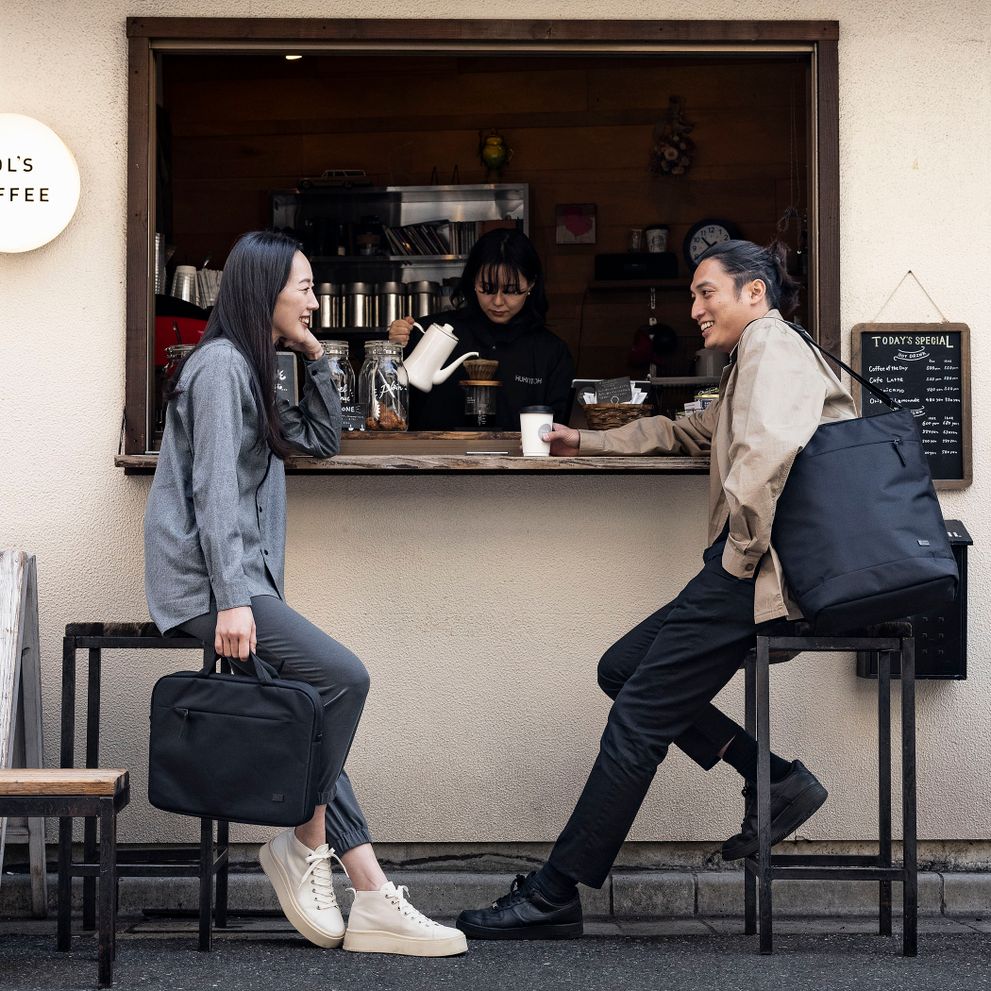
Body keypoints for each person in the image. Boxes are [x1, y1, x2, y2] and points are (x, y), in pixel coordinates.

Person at [455, 239, 858, 940]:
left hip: (754, 569)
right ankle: (771, 778)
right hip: (747, 563)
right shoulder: (756, 356)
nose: (694, 308)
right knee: (622, 668)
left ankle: (554, 892)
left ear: (754, 292)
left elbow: (765, 454)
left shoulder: (770, 344)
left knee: (637, 716)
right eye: (693, 295)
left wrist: (737, 553)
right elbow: (691, 431)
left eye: (707, 292)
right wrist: (585, 442)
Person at [144, 230, 466, 958]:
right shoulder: (221, 366)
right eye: (307, 288)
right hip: (209, 586)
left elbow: (322, 437)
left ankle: (373, 891)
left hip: (240, 583)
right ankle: (305, 839)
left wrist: (317, 354)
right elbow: (215, 490)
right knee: (342, 677)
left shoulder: (254, 366)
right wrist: (231, 598)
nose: (317, 301)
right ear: (265, 291)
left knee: (315, 714)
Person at [388, 228, 575, 429]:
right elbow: (388, 400)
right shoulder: (432, 333)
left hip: (522, 460)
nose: (498, 301)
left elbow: (559, 427)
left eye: (511, 290)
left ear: (531, 285)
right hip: (433, 458)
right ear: (472, 281)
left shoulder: (550, 352)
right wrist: (393, 350)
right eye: (487, 288)